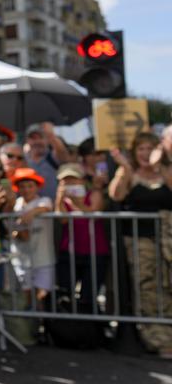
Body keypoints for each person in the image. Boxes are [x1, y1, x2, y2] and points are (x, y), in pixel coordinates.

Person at [107, 132, 172, 356]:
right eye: (140, 149)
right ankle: (159, 339)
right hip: (140, 241)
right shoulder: (129, 172)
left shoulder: (166, 172)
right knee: (148, 288)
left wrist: (160, 167)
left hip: (168, 239)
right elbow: (116, 195)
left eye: (149, 148)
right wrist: (124, 169)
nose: (145, 153)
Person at [53, 163, 108, 313]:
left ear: (82, 180)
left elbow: (93, 214)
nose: (69, 183)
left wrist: (77, 202)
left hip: (95, 252)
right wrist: (59, 198)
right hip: (69, 252)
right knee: (65, 293)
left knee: (88, 297)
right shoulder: (63, 199)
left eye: (73, 179)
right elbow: (62, 219)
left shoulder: (94, 194)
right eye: (65, 181)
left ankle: (90, 330)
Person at [8, 167, 55, 305]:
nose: (26, 189)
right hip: (22, 258)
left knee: (43, 294)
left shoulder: (44, 200)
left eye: (30, 186)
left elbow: (45, 208)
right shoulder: (15, 205)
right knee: (27, 294)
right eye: (22, 186)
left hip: (43, 258)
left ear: (37, 187)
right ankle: (31, 323)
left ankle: (43, 321)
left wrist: (29, 214)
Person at [23, 123, 69, 200]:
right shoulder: (22, 159)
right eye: (33, 138)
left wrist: (52, 136)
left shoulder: (52, 157)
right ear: (27, 140)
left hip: (52, 208)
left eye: (40, 137)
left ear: (47, 140)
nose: (37, 142)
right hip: (28, 208)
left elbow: (63, 155)